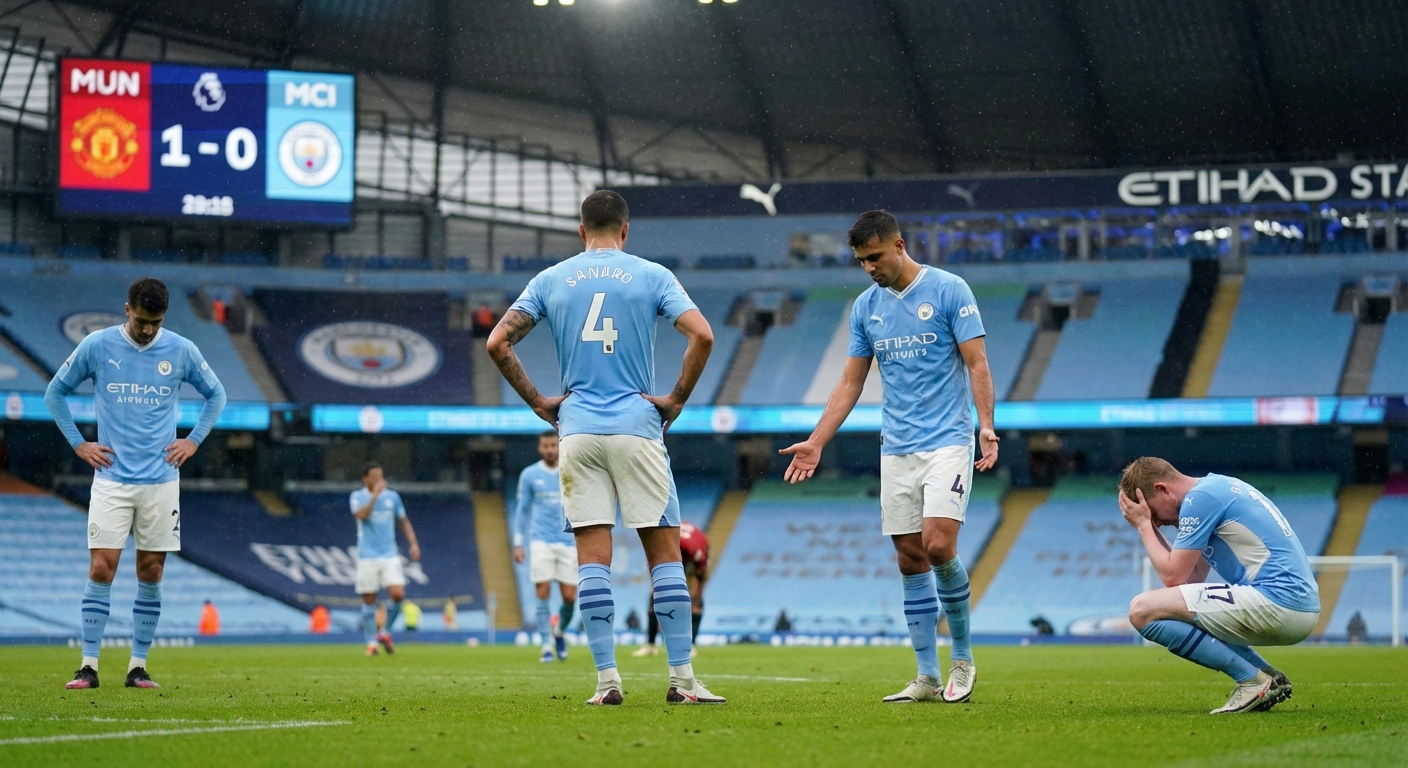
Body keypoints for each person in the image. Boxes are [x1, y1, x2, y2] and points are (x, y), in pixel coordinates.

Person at [488, 189, 724, 706]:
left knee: (592, 560)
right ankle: (682, 681)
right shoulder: (651, 275)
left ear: (580, 231)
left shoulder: (550, 281)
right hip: (638, 427)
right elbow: (702, 336)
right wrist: (677, 400)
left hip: (577, 432)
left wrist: (539, 404)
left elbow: (497, 343)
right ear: (625, 230)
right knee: (664, 558)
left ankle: (606, 682)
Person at [779, 210, 999, 705]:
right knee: (909, 557)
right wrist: (817, 440)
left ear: (899, 244)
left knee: (939, 544)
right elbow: (851, 381)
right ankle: (925, 676)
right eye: (861, 261)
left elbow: (977, 362)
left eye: (875, 257)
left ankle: (962, 659)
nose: (869, 268)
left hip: (948, 440)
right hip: (896, 446)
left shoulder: (948, 290)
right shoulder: (865, 307)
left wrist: (986, 424)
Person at [45, 277, 227, 690]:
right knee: (101, 567)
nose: (148, 329)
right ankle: (88, 666)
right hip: (111, 478)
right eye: (143, 320)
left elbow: (216, 395)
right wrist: (79, 445)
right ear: (127, 309)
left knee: (151, 571)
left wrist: (193, 440)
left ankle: (137, 667)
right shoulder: (98, 345)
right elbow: (55, 393)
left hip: (161, 481)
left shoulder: (181, 349)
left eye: (156, 322)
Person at [1118, 457, 1319, 715]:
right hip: (1296, 604)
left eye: (1155, 513)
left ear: (1162, 489)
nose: (1158, 522)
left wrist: (1143, 526)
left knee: (1141, 610)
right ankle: (1268, 676)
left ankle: (1251, 682)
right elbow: (1190, 581)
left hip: (1279, 601)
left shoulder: (1200, 499)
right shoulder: (1214, 490)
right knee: (1176, 609)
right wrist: (1149, 523)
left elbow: (1173, 578)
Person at [512, 430, 577, 663]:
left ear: (559, 446)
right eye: (545, 446)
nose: (550, 449)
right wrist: (518, 543)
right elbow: (522, 509)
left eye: (553, 445)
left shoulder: (571, 470)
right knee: (543, 593)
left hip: (568, 540)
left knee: (570, 597)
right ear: (540, 448)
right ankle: (546, 646)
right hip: (540, 540)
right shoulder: (530, 474)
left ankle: (558, 632)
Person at [350, 461, 422, 657]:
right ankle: (371, 643)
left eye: (380, 476)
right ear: (365, 479)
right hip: (367, 555)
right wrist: (374, 497)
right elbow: (362, 516)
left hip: (389, 554)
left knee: (398, 594)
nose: (378, 480)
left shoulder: (393, 497)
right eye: (374, 477)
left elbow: (403, 520)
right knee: (369, 600)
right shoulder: (357, 497)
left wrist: (413, 543)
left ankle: (385, 632)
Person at [634, 521, 709, 656]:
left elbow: (701, 575)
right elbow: (653, 566)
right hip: (671, 548)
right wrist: (655, 587)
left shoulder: (694, 550)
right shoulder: (657, 546)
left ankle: (690, 645)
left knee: (695, 601)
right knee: (655, 598)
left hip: (689, 551)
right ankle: (651, 645)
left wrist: (697, 595)